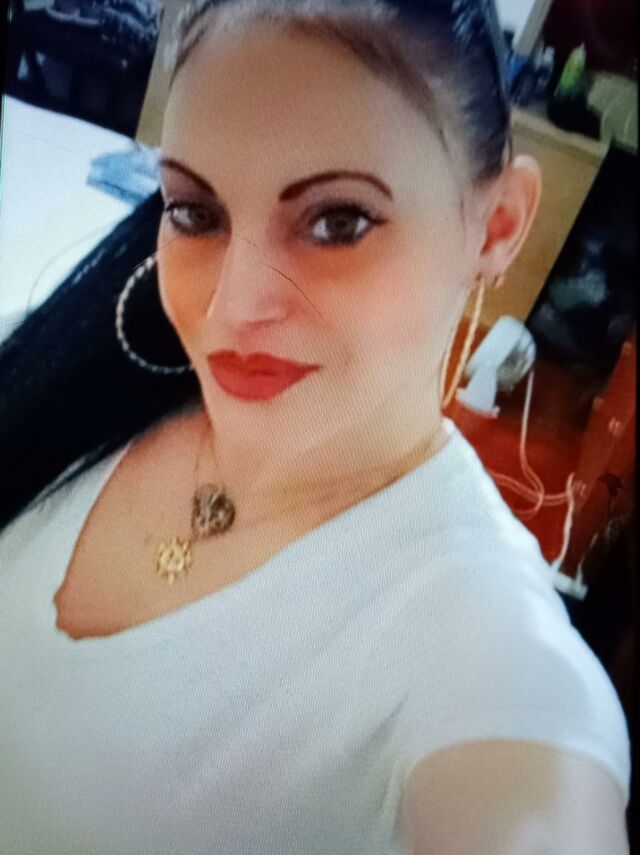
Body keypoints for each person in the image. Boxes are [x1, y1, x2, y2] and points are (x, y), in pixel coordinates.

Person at [0, 1, 632, 853]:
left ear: (497, 226)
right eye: (196, 211)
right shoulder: (77, 377)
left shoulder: (489, 657)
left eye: (339, 221)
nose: (232, 308)